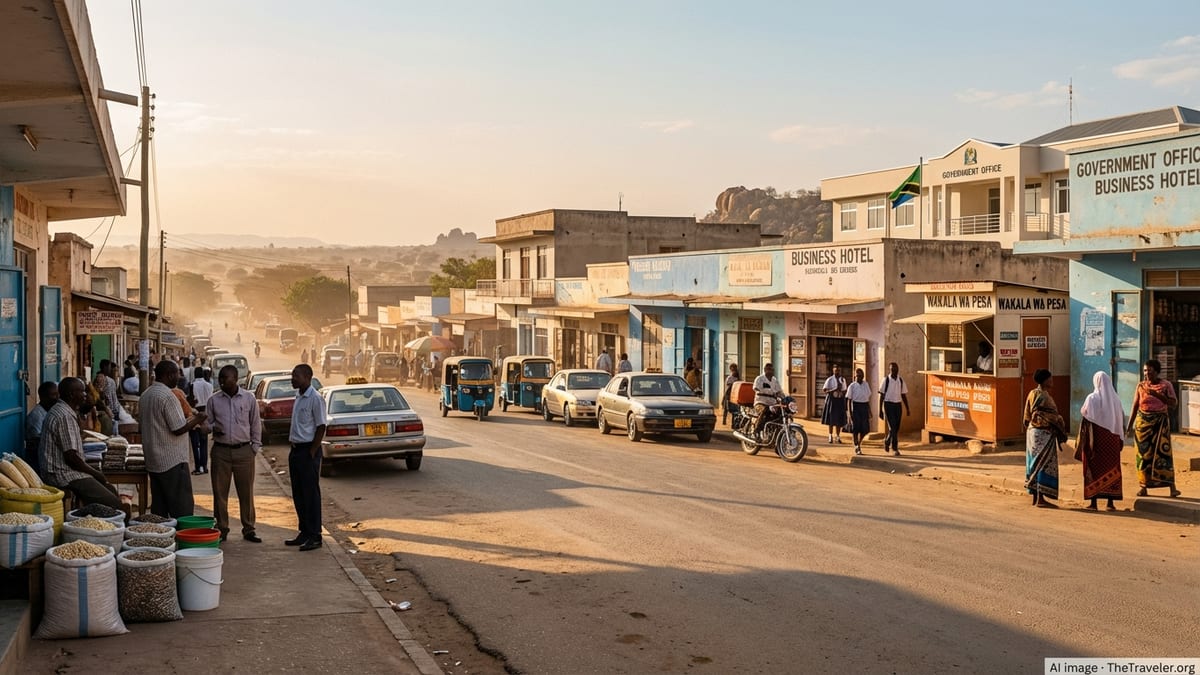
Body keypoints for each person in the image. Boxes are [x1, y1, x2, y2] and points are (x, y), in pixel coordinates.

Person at [38, 378, 123, 511]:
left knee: (110, 489)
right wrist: (95, 473)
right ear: (72, 394)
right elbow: (71, 458)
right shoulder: (63, 416)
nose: (85, 395)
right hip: (62, 474)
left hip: (67, 470)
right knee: (114, 505)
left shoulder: (65, 411)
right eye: (82, 392)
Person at [139, 359, 207, 518]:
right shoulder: (167, 396)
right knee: (181, 508)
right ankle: (183, 540)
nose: (179, 377)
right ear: (169, 375)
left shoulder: (146, 395)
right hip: (172, 461)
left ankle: (163, 540)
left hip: (154, 460)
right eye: (177, 373)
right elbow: (178, 428)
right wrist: (198, 419)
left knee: (160, 509)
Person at [208, 365, 263, 543]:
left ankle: (249, 528)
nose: (222, 381)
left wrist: (254, 447)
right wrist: (212, 428)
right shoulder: (214, 400)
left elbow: (255, 424)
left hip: (244, 452)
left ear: (236, 379)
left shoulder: (249, 398)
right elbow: (206, 424)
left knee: (246, 492)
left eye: (226, 378)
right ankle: (222, 528)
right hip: (221, 451)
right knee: (219, 492)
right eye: (220, 378)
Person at [286, 363, 327, 551]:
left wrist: (312, 451)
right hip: (295, 451)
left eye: (296, 376)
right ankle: (304, 531)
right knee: (299, 494)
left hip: (307, 451)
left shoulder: (315, 398)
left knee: (311, 495)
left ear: (307, 377)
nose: (293, 379)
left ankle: (315, 535)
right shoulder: (299, 396)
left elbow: (321, 426)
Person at [1127, 359, 1180, 498]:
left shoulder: (1166, 385)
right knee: (1143, 457)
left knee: (1163, 456)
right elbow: (1135, 406)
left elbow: (1173, 404)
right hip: (1142, 425)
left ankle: (1172, 487)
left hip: (1160, 425)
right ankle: (1143, 487)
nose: (1147, 374)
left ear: (1157, 372)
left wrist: (1157, 395)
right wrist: (1129, 426)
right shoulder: (1141, 386)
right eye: (1145, 371)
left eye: (1149, 371)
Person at [1076, 371, 1125, 511]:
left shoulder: (1092, 398)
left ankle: (1093, 503)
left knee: (1094, 468)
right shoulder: (1116, 400)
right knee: (1112, 468)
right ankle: (1110, 503)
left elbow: (1085, 414)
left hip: (1096, 440)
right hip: (1112, 441)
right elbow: (1121, 420)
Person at [1023, 368, 1066, 508]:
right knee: (1042, 463)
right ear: (1044, 380)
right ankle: (1041, 498)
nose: (1052, 380)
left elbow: (1026, 417)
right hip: (1043, 434)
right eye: (1050, 378)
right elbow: (1044, 414)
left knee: (1034, 463)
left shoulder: (1032, 393)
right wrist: (1058, 420)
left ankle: (1036, 497)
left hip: (1032, 433)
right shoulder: (1042, 396)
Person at [24, 381, 59, 475]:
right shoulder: (36, 416)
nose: (57, 398)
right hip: (38, 462)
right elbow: (35, 441)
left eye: (57, 394)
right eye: (53, 395)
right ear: (43, 397)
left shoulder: (48, 411)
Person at [878, 362, 910, 455]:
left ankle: (887, 440)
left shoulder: (900, 380)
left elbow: (903, 395)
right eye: (892, 369)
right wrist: (880, 409)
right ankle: (895, 448)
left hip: (898, 405)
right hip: (888, 405)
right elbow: (882, 395)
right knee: (892, 427)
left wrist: (907, 408)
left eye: (895, 369)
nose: (894, 371)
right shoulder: (886, 380)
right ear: (890, 370)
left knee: (896, 427)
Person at [190, 366, 214, 475]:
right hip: (207, 414)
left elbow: (191, 401)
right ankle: (204, 467)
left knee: (195, 444)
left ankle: (198, 466)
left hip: (196, 414)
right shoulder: (210, 386)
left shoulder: (192, 385)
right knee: (204, 442)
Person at [752, 362, 783, 437]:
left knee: (781, 414)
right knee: (765, 411)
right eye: (768, 369)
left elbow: (779, 392)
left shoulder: (775, 380)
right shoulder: (759, 379)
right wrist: (767, 391)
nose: (770, 371)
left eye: (771, 369)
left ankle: (777, 434)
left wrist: (784, 397)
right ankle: (756, 431)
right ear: (765, 370)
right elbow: (755, 388)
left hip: (772, 404)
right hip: (761, 403)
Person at [845, 368, 872, 455]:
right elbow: (849, 400)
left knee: (865, 429)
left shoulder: (866, 384)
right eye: (857, 376)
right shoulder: (852, 386)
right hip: (855, 407)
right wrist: (849, 413)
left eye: (860, 376)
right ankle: (857, 445)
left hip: (864, 407)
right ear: (854, 376)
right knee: (855, 429)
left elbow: (867, 399)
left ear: (863, 376)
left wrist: (869, 410)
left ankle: (859, 443)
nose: (859, 377)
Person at [821, 365, 848, 443]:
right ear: (833, 371)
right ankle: (830, 435)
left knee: (839, 420)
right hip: (832, 400)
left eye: (838, 371)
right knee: (831, 419)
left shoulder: (842, 380)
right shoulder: (829, 379)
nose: (837, 372)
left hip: (839, 400)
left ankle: (838, 436)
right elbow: (825, 390)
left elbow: (845, 390)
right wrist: (834, 390)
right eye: (836, 371)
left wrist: (841, 391)